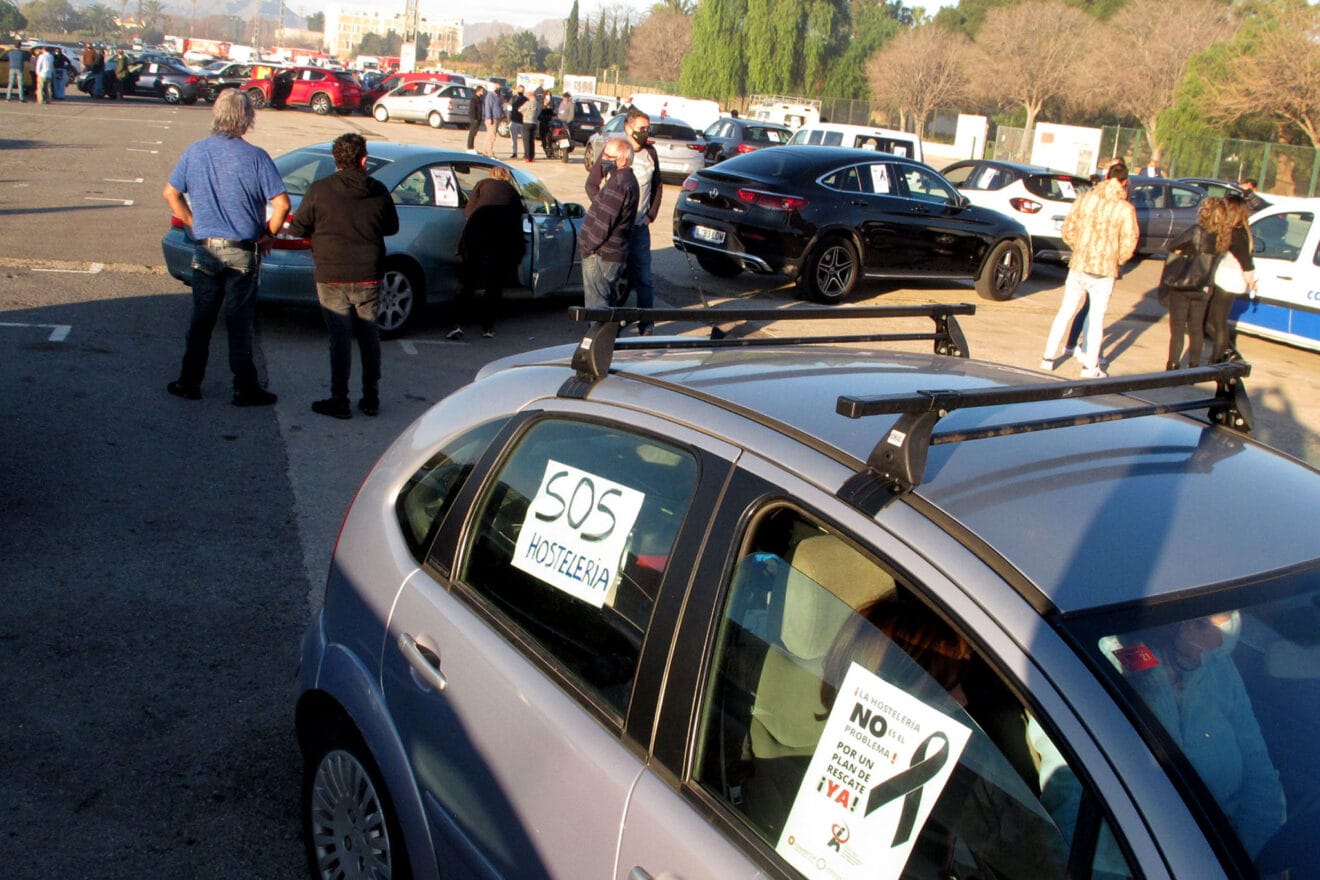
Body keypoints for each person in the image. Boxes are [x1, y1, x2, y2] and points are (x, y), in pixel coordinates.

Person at [1120, 613, 1285, 861]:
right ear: (1182, 625)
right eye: (1217, 622)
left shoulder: (1218, 664)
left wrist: (1252, 857)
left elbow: (1258, 769)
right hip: (1146, 855)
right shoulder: (1118, 666)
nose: (1226, 637)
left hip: (1227, 842)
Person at [162, 89, 290, 406]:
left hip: (206, 247)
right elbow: (282, 204)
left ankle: (189, 381)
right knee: (239, 322)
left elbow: (170, 193)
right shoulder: (257, 157)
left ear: (216, 114)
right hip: (242, 249)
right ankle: (245, 388)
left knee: (202, 319)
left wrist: (192, 222)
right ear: (247, 119)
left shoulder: (196, 152)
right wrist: (268, 235)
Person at [286, 133, 399, 419]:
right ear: (363, 160)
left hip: (331, 272)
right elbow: (391, 227)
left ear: (336, 159)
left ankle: (340, 399)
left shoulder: (319, 190)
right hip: (369, 272)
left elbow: (298, 228)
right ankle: (370, 397)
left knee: (339, 338)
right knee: (369, 334)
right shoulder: (378, 190)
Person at [1040, 162, 1138, 379]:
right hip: (1104, 269)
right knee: (1096, 317)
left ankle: (1048, 357)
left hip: (1079, 263)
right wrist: (1116, 258)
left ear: (1106, 177)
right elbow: (1130, 241)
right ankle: (1090, 366)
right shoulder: (1125, 209)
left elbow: (1068, 229)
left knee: (1065, 311)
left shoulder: (1085, 199)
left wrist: (1080, 247)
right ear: (1124, 182)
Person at [587, 108, 663, 334]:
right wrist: (604, 210)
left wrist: (651, 214)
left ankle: (646, 325)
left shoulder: (651, 153)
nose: (646, 132)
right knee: (610, 280)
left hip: (640, 228)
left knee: (644, 279)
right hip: (618, 230)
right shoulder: (614, 151)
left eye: (648, 128)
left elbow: (657, 185)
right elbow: (592, 184)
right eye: (642, 128)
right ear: (628, 128)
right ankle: (608, 329)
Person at [448, 166, 525, 340]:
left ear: (491, 175)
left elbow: (469, 211)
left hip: (476, 236)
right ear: (506, 177)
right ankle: (487, 327)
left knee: (468, 280)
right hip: (499, 241)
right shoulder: (512, 191)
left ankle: (457, 324)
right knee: (494, 284)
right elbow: (519, 215)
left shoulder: (482, 184)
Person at [1163, 197, 1225, 370]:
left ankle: (1173, 364)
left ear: (1204, 212)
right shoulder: (1222, 237)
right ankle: (1194, 366)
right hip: (1205, 285)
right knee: (1196, 327)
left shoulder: (1197, 230)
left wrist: (1183, 250)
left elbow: (1173, 244)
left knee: (1177, 328)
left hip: (1185, 282)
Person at [579, 137, 638, 310]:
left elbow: (604, 223)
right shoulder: (620, 180)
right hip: (607, 253)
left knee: (597, 307)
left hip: (602, 255)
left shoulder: (619, 184)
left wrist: (588, 248)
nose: (602, 159)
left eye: (607, 155)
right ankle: (610, 335)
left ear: (622, 159)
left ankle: (601, 336)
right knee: (607, 304)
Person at [1205, 194, 1257, 364]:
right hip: (1229, 280)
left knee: (1216, 323)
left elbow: (1246, 261)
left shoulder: (1236, 233)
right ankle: (1225, 353)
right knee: (1214, 322)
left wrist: (1251, 280)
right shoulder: (1242, 231)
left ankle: (1220, 358)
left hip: (1228, 280)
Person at [482, 82, 504, 156]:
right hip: (492, 118)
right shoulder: (490, 96)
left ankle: (486, 151)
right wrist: (489, 117)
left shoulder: (498, 96)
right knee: (491, 136)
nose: (498, 89)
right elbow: (488, 107)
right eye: (497, 88)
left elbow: (500, 106)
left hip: (497, 118)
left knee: (490, 135)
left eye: (499, 88)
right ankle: (489, 152)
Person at [523, 87, 544, 162]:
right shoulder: (538, 104)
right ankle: (532, 156)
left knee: (526, 140)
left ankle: (527, 156)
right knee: (532, 140)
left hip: (527, 122)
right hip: (534, 122)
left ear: (530, 96)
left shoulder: (528, 103)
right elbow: (539, 112)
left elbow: (520, 109)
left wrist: (525, 112)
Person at [508, 85, 528, 159]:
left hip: (523, 122)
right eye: (520, 90)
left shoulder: (526, 99)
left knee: (524, 139)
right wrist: (509, 120)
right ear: (517, 90)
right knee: (514, 139)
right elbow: (509, 109)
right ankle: (514, 152)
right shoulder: (513, 98)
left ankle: (525, 153)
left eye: (522, 90)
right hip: (514, 121)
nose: (521, 91)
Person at [466, 85, 485, 152]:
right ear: (478, 91)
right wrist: (474, 118)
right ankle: (469, 147)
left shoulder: (479, 98)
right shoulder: (474, 98)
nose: (483, 92)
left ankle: (472, 146)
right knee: (472, 133)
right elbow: (472, 110)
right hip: (474, 119)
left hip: (478, 118)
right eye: (482, 91)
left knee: (474, 133)